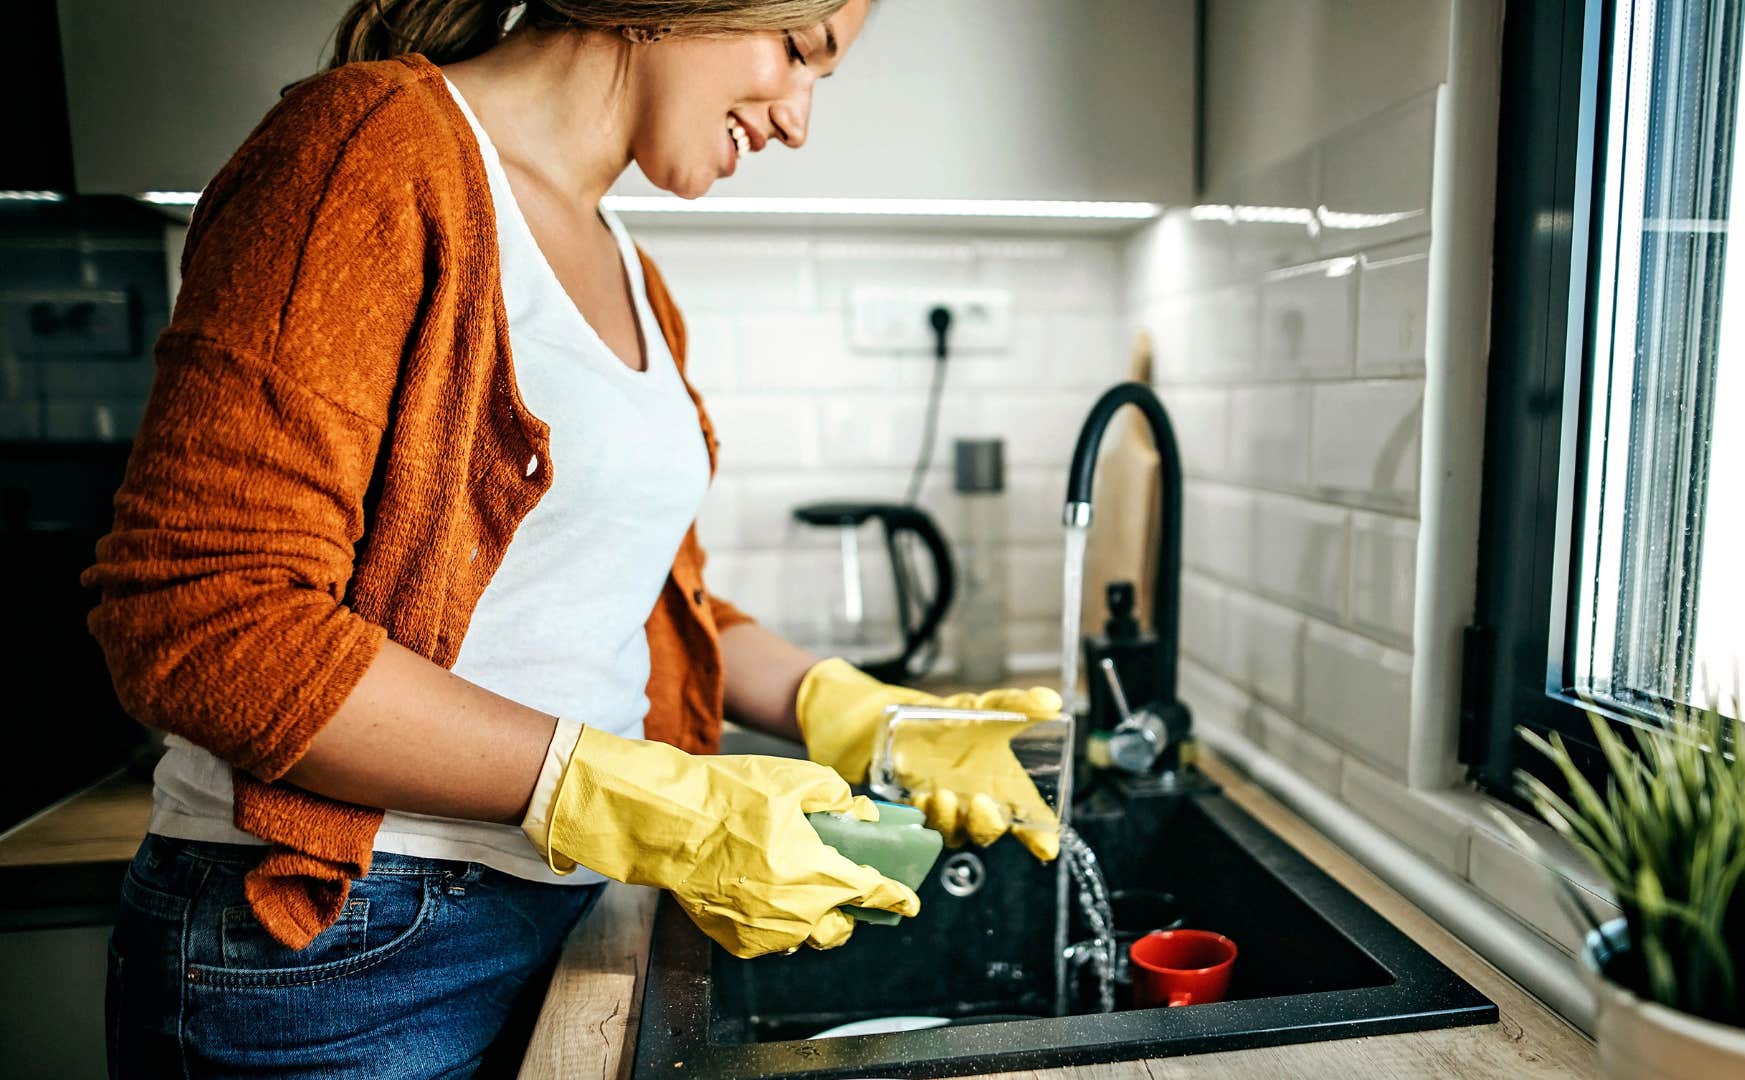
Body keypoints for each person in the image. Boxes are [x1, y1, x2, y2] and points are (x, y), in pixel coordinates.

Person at [82, 2, 1059, 1075]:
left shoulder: (634, 270)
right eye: (798, 51)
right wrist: (623, 796)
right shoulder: (370, 150)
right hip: (335, 944)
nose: (798, 121)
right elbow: (206, 618)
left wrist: (862, 710)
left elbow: (629, 601)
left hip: (571, 907)